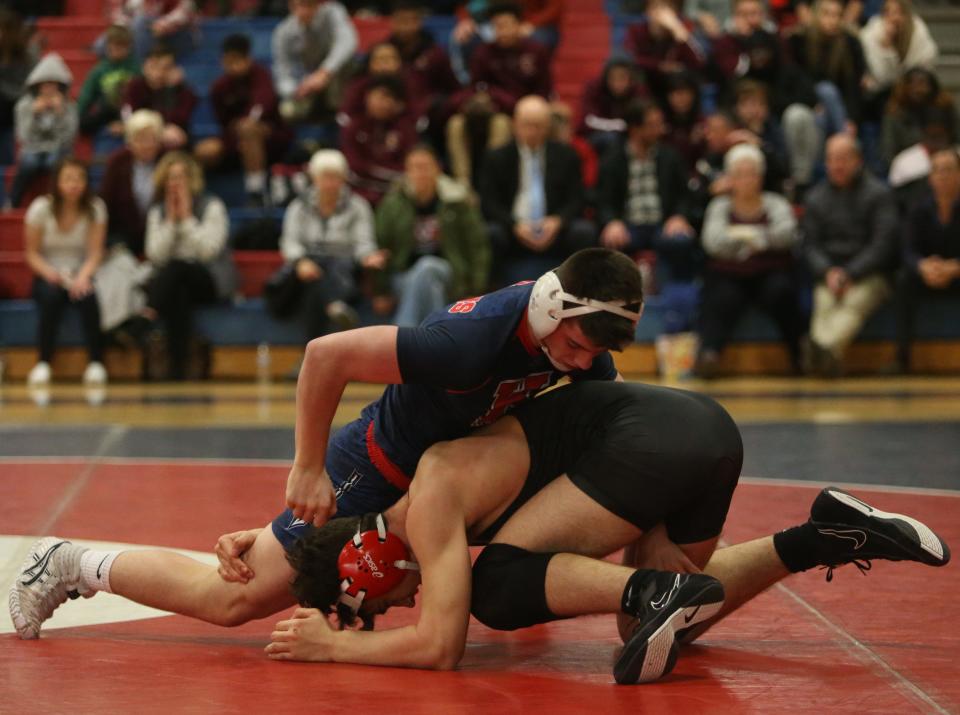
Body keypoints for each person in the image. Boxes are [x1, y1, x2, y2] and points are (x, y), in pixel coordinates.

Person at [12, 379, 950, 685]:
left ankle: (71, 558)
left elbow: (445, 641)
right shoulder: (399, 508)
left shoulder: (419, 505)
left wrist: (341, 651)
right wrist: (274, 532)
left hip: (628, 440)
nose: (385, 597)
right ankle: (819, 539)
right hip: (680, 434)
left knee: (499, 584)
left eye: (374, 589)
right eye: (378, 595)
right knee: (680, 606)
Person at [7, 248, 645, 646]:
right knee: (237, 598)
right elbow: (325, 355)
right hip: (372, 470)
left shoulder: (574, 347)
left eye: (597, 352)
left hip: (441, 477)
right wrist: (307, 469)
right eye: (580, 345)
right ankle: (70, 561)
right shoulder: (469, 343)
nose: (583, 361)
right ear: (554, 306)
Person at [696, 144, 802, 377]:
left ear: (760, 177)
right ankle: (708, 355)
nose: (746, 180)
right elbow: (713, 242)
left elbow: (787, 235)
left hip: (770, 272)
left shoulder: (775, 203)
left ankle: (800, 354)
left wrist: (745, 239)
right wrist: (757, 242)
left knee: (782, 292)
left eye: (751, 173)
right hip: (729, 274)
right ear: (730, 178)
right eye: (739, 174)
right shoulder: (719, 206)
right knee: (721, 297)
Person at [802, 134, 897, 376]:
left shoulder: (879, 194)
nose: (837, 165)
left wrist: (851, 273)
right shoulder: (815, 197)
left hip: (870, 275)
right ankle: (827, 358)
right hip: (830, 273)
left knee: (853, 302)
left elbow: (883, 245)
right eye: (832, 159)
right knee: (823, 303)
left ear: (858, 160)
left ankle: (822, 350)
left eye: (843, 158)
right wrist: (828, 271)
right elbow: (810, 246)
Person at [480, 96, 594, 285]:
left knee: (583, 231)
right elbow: (489, 203)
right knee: (491, 233)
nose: (532, 132)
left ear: (548, 126)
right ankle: (494, 293)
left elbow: (577, 198)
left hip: (553, 230)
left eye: (538, 125)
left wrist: (558, 221)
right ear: (515, 125)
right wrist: (514, 225)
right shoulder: (497, 157)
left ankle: (579, 291)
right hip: (513, 230)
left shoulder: (566, 155)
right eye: (527, 125)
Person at [374, 145, 491, 327]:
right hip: (403, 275)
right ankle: (436, 335)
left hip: (449, 271)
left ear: (437, 169)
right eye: (414, 167)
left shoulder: (457, 203)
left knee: (427, 266)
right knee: (428, 284)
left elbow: (478, 246)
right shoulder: (392, 205)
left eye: (425, 167)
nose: (420, 173)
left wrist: (476, 288)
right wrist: (380, 290)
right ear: (407, 172)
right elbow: (380, 247)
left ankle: (402, 334)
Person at [143, 151, 233, 380]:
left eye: (181, 177)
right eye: (171, 178)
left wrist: (186, 219)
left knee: (178, 268)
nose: (175, 183)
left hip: (208, 279)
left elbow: (208, 252)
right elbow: (156, 256)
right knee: (178, 290)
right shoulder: (158, 212)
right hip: (173, 285)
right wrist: (172, 222)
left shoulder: (212, 206)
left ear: (191, 179)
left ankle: (147, 313)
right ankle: (178, 368)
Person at [278, 149, 386, 339]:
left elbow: (363, 242)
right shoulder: (298, 206)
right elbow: (290, 241)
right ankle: (335, 307)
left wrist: (368, 256)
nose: (330, 183)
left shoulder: (358, 206)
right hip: (308, 267)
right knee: (313, 280)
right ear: (314, 178)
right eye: (324, 177)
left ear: (344, 178)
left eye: (335, 177)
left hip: (343, 267)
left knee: (320, 284)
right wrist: (300, 261)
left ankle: (310, 356)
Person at [446, 2, 551, 189]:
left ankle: (491, 183)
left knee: (501, 125)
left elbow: (543, 90)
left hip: (521, 112)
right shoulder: (484, 52)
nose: (502, 31)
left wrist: (521, 107)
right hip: (490, 110)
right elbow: (475, 87)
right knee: (456, 124)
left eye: (507, 25)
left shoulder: (535, 51)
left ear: (519, 25)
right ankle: (463, 184)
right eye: (497, 26)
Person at [23, 157, 108, 387]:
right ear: (57, 182)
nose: (74, 184)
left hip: (81, 271)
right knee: (51, 298)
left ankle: (96, 362)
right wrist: (51, 273)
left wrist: (82, 277)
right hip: (48, 272)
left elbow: (95, 252)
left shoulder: (96, 208)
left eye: (79, 178)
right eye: (68, 178)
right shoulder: (40, 208)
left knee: (89, 297)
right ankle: (43, 362)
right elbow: (31, 253)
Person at [194, 34, 293, 207]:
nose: (232, 65)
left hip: (271, 138)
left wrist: (244, 128)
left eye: (237, 60)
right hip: (236, 141)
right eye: (228, 60)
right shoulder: (219, 87)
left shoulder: (262, 75)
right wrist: (236, 136)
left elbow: (262, 107)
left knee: (249, 129)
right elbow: (224, 124)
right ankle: (196, 197)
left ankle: (256, 191)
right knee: (203, 151)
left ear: (248, 59)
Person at [596, 100, 697, 259]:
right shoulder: (613, 159)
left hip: (662, 224)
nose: (660, 130)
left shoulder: (670, 157)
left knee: (681, 239)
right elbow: (603, 199)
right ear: (635, 129)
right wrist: (612, 222)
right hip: (628, 225)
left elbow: (685, 195)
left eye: (660, 123)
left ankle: (671, 283)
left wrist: (679, 216)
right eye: (652, 125)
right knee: (611, 241)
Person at [894, 147, 960, 373]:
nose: (943, 175)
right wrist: (923, 267)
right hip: (927, 274)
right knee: (903, 280)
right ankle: (901, 359)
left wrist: (954, 267)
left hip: (957, 274)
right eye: (937, 170)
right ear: (930, 177)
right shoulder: (918, 208)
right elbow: (907, 250)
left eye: (949, 170)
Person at [786, 0, 867, 137]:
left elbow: (852, 86)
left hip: (840, 106)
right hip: (808, 101)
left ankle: (842, 137)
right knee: (825, 93)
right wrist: (813, 102)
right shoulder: (799, 41)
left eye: (837, 15)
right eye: (827, 14)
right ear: (815, 15)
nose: (832, 20)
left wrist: (851, 119)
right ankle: (844, 138)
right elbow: (797, 79)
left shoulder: (850, 43)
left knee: (827, 95)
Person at [271, 0, 358, 124]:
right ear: (290, 6)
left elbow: (348, 41)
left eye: (308, 5)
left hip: (338, 76)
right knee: (286, 110)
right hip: (308, 83)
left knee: (344, 65)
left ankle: (341, 115)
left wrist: (325, 72)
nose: (304, 11)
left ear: (318, 4)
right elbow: (282, 71)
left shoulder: (333, 11)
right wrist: (295, 90)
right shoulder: (283, 32)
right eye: (298, 5)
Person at [338, 75, 419, 206]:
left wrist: (371, 170)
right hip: (357, 193)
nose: (382, 102)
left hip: (396, 195)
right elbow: (354, 167)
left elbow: (408, 169)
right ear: (367, 97)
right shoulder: (354, 126)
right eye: (378, 96)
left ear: (398, 103)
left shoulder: (405, 129)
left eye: (388, 97)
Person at [9, 53, 77, 210]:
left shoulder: (69, 106)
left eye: (53, 85)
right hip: (32, 148)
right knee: (29, 162)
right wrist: (34, 115)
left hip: (59, 148)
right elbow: (23, 136)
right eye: (44, 85)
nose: (48, 90)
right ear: (36, 86)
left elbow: (69, 137)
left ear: (60, 87)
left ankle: (58, 204)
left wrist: (60, 115)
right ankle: (13, 202)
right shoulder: (24, 106)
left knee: (54, 162)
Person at [99, 109, 165, 257]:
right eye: (140, 139)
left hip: (162, 233)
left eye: (152, 138)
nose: (147, 145)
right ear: (129, 141)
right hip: (123, 235)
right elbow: (105, 203)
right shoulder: (117, 162)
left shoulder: (168, 160)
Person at [623, 0, 706, 105]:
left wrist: (677, 30)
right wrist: (660, 65)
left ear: (675, 12)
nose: (661, 12)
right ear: (647, 11)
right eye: (655, 7)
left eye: (667, 8)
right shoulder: (635, 31)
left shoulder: (679, 31)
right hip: (647, 82)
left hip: (670, 86)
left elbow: (697, 63)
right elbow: (630, 59)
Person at [121, 43, 197, 151]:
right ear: (144, 66)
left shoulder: (183, 91)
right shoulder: (135, 86)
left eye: (166, 67)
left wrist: (170, 89)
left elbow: (181, 118)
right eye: (154, 66)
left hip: (174, 140)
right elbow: (132, 115)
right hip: (142, 137)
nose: (158, 73)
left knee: (175, 140)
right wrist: (159, 130)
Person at [860, 0, 937, 99]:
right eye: (889, 13)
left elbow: (927, 63)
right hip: (881, 93)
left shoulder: (918, 30)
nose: (894, 18)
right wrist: (886, 48)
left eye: (899, 13)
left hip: (911, 88)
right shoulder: (872, 33)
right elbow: (882, 77)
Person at [76, 24, 139, 137]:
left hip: (129, 110)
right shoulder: (99, 69)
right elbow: (86, 96)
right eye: (111, 46)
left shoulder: (135, 68)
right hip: (106, 112)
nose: (114, 50)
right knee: (90, 117)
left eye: (119, 47)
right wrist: (77, 115)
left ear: (128, 47)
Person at [576, 59, 648, 157]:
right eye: (613, 78)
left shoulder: (638, 92)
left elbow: (642, 118)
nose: (618, 83)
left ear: (630, 79)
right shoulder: (594, 89)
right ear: (606, 78)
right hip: (597, 135)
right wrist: (618, 125)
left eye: (622, 78)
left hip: (629, 136)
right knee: (610, 139)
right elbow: (588, 119)